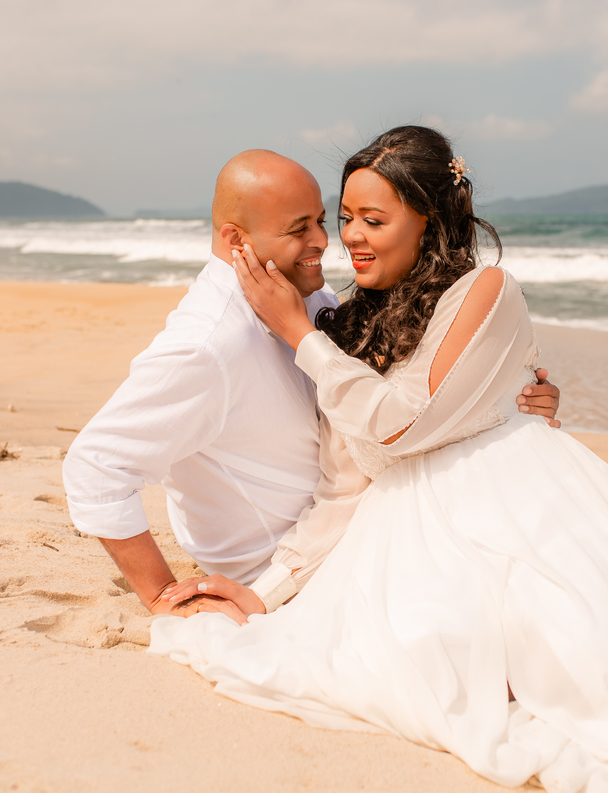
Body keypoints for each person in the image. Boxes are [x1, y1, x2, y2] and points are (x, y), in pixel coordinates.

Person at [149, 127, 608, 793]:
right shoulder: (347, 320)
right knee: (432, 658)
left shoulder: (487, 290)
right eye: (346, 218)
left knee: (592, 671)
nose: (351, 238)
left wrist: (297, 335)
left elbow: (404, 424)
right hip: (400, 524)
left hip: (507, 491)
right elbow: (347, 480)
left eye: (374, 220)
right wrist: (268, 591)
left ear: (430, 222)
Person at [62, 149, 563, 621]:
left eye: (323, 221)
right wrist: (160, 597)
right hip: (297, 572)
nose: (326, 241)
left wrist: (500, 405)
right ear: (238, 241)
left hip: (366, 532)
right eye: (300, 229)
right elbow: (96, 467)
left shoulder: (312, 301)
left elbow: (411, 393)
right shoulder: (207, 345)